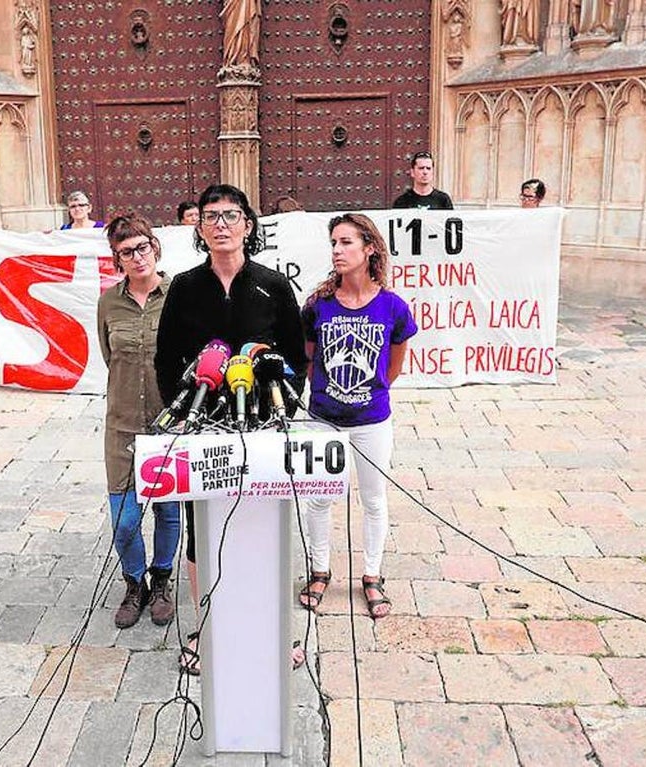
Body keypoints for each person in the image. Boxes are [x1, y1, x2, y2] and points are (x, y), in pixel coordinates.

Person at [154, 183, 309, 672]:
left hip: (262, 426)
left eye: (231, 215)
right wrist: (182, 413)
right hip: (204, 430)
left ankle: (273, 627)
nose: (221, 224)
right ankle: (209, 625)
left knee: (265, 525)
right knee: (203, 533)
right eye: (210, 216)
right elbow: (165, 360)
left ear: (248, 224)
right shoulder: (183, 287)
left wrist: (283, 397)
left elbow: (297, 358)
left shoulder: (273, 284)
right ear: (198, 227)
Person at [298, 213, 417, 620]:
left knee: (373, 499)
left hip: (372, 420)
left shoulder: (393, 307)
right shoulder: (318, 306)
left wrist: (369, 393)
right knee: (320, 498)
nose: (337, 250)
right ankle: (318, 569)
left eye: (346, 242)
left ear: (369, 248)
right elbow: (311, 358)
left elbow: (394, 365)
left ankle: (371, 575)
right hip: (324, 418)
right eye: (334, 243)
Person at [97, 213, 182, 629]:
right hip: (123, 427)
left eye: (142, 247)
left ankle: (162, 580)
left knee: (168, 512)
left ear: (155, 246)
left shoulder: (178, 296)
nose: (137, 256)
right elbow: (110, 357)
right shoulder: (108, 303)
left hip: (169, 426)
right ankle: (135, 583)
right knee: (125, 519)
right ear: (117, 259)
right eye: (126, 252)